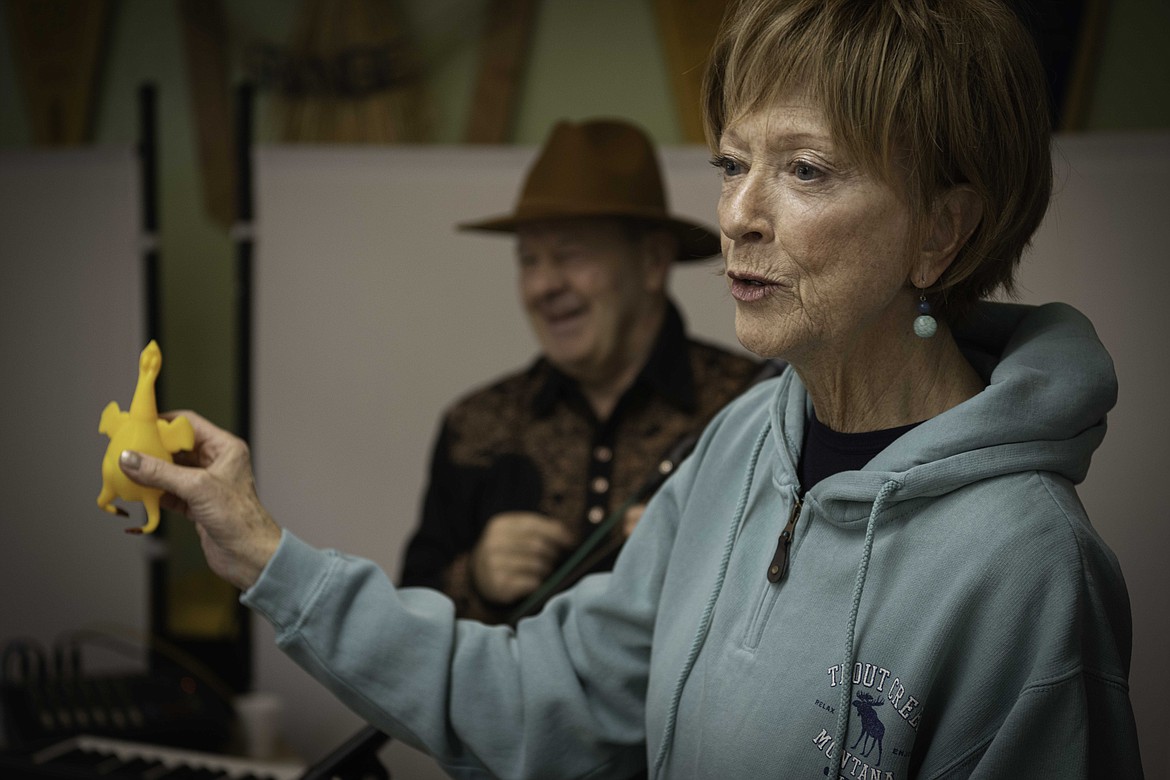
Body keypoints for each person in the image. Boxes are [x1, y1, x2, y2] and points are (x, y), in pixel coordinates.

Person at [118, 0, 1142, 776]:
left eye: (807, 170)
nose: (739, 212)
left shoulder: (1030, 567)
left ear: (942, 230)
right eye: (732, 160)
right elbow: (532, 697)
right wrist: (259, 547)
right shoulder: (739, 447)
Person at [398, 118, 763, 624]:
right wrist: (475, 578)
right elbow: (407, 624)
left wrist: (701, 566)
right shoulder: (474, 424)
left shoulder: (751, 409)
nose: (544, 285)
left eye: (570, 255)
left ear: (654, 261)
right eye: (528, 260)